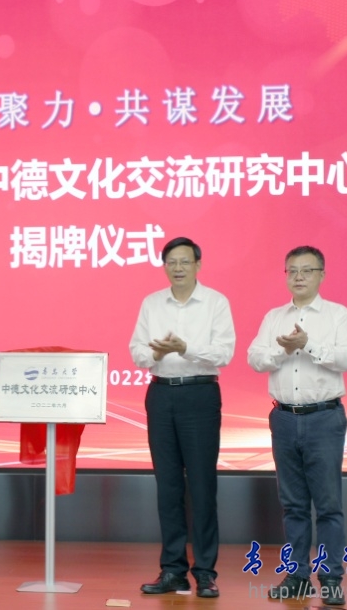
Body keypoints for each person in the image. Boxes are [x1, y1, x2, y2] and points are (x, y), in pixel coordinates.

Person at [247, 245, 347, 607]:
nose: (298, 277)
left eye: (307, 270)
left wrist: (307, 344)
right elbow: (255, 359)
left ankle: (331, 579)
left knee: (327, 504)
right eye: (292, 270)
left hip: (324, 418)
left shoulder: (337, 315)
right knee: (293, 505)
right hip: (283, 417)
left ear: (321, 275)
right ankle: (297, 577)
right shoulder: (274, 317)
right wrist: (284, 349)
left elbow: (345, 358)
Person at [129, 236, 235, 598]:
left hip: (200, 395)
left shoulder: (216, 302)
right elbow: (136, 351)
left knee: (202, 485)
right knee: (168, 485)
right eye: (171, 262)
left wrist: (184, 348)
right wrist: (156, 353)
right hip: (160, 394)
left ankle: (205, 572)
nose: (177, 268)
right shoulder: (151, 303)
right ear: (164, 266)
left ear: (198, 265)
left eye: (184, 262)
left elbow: (224, 352)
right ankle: (173, 569)